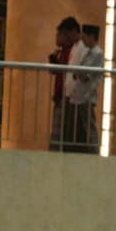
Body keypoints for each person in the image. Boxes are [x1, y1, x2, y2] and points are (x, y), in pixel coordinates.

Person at [63, 23, 103, 153]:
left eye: (85, 37)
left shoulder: (97, 54)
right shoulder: (89, 52)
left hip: (87, 96)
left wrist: (79, 73)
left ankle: (92, 152)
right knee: (79, 128)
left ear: (92, 37)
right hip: (80, 96)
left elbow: (85, 74)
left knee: (88, 128)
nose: (83, 40)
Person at [49, 16, 80, 151]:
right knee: (58, 131)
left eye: (60, 34)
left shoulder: (74, 50)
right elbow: (57, 71)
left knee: (61, 132)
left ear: (69, 34)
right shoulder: (62, 51)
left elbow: (70, 69)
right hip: (60, 96)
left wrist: (59, 64)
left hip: (67, 97)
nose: (57, 37)